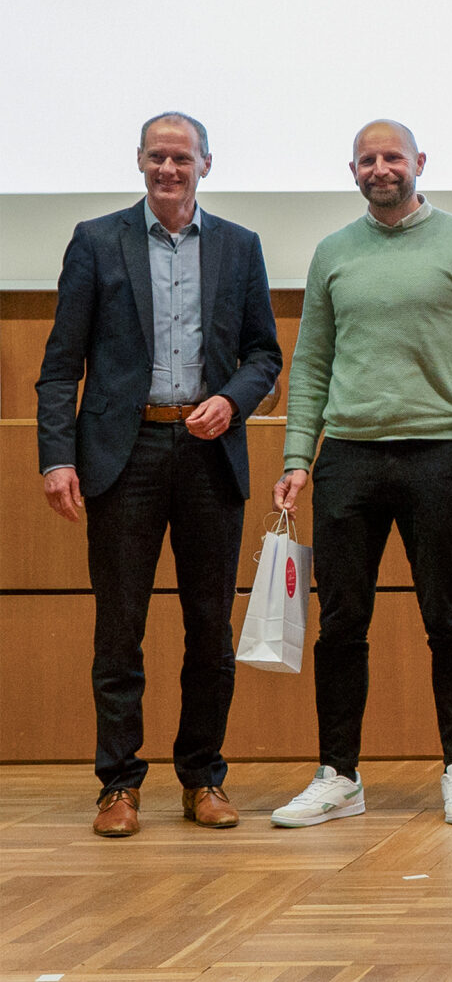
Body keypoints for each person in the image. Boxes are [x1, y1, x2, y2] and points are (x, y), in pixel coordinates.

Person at [36, 113, 282, 838]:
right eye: (157, 156)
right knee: (120, 628)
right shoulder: (96, 239)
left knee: (210, 630)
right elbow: (60, 365)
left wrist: (231, 401)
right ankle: (118, 784)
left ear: (207, 161)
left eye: (182, 156)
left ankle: (203, 777)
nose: (169, 168)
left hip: (208, 456)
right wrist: (57, 458)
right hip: (122, 454)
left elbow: (265, 355)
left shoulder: (240, 246)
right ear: (140, 161)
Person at [269, 121, 452, 829]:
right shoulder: (333, 253)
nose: (381, 168)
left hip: (439, 453)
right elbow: (311, 361)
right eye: (368, 159)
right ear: (353, 169)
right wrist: (297, 457)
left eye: (393, 157)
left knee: (449, 619)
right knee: (342, 623)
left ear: (419, 164)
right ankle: (339, 775)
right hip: (346, 456)